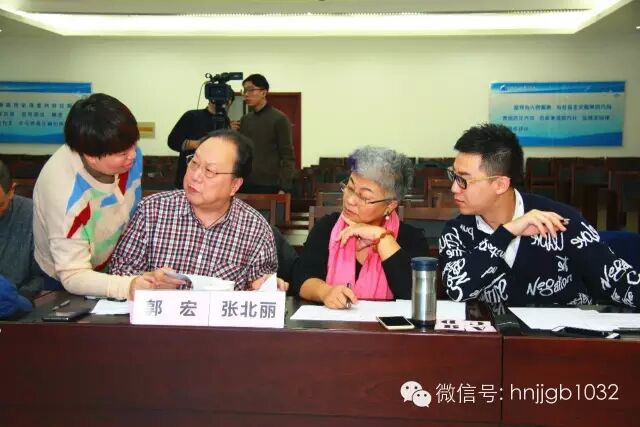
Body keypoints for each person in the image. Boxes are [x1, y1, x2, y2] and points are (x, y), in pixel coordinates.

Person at [439, 123, 639, 308]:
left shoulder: (559, 221)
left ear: (500, 184)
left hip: (566, 332)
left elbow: (620, 282)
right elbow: (457, 289)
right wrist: (506, 233)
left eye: (463, 179)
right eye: (453, 176)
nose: (454, 188)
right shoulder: (457, 231)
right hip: (497, 334)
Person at [33, 93, 180, 300]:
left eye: (134, 144)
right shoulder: (64, 194)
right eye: (122, 153)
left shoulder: (127, 155)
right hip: (67, 278)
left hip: (114, 266)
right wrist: (128, 286)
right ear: (91, 157)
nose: (133, 155)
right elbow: (73, 274)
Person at [110, 129, 283, 291]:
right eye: (194, 163)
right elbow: (118, 271)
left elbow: (260, 287)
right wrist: (147, 281)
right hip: (158, 313)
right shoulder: (151, 211)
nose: (195, 176)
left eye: (210, 171)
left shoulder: (256, 230)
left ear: (234, 185)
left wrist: (266, 287)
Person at [291, 146, 429, 309]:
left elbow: (415, 293)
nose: (350, 200)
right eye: (350, 188)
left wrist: (381, 237)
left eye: (364, 197)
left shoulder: (412, 239)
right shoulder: (328, 227)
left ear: (390, 205)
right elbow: (301, 278)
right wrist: (325, 292)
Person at [231, 74, 295, 194]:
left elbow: (288, 156)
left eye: (251, 90)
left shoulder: (279, 118)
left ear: (264, 93)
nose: (246, 94)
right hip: (245, 183)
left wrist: (284, 187)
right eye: (244, 90)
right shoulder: (245, 119)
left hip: (270, 184)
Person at [168, 90, 235, 189]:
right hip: (189, 179)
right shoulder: (192, 116)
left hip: (213, 180)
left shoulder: (225, 121)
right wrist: (198, 144)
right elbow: (172, 141)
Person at [0, 160, 43, 303]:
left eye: (0, 205)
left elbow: (43, 275)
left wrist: (22, 299)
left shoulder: (33, 215)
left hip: (18, 301)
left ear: (12, 191)